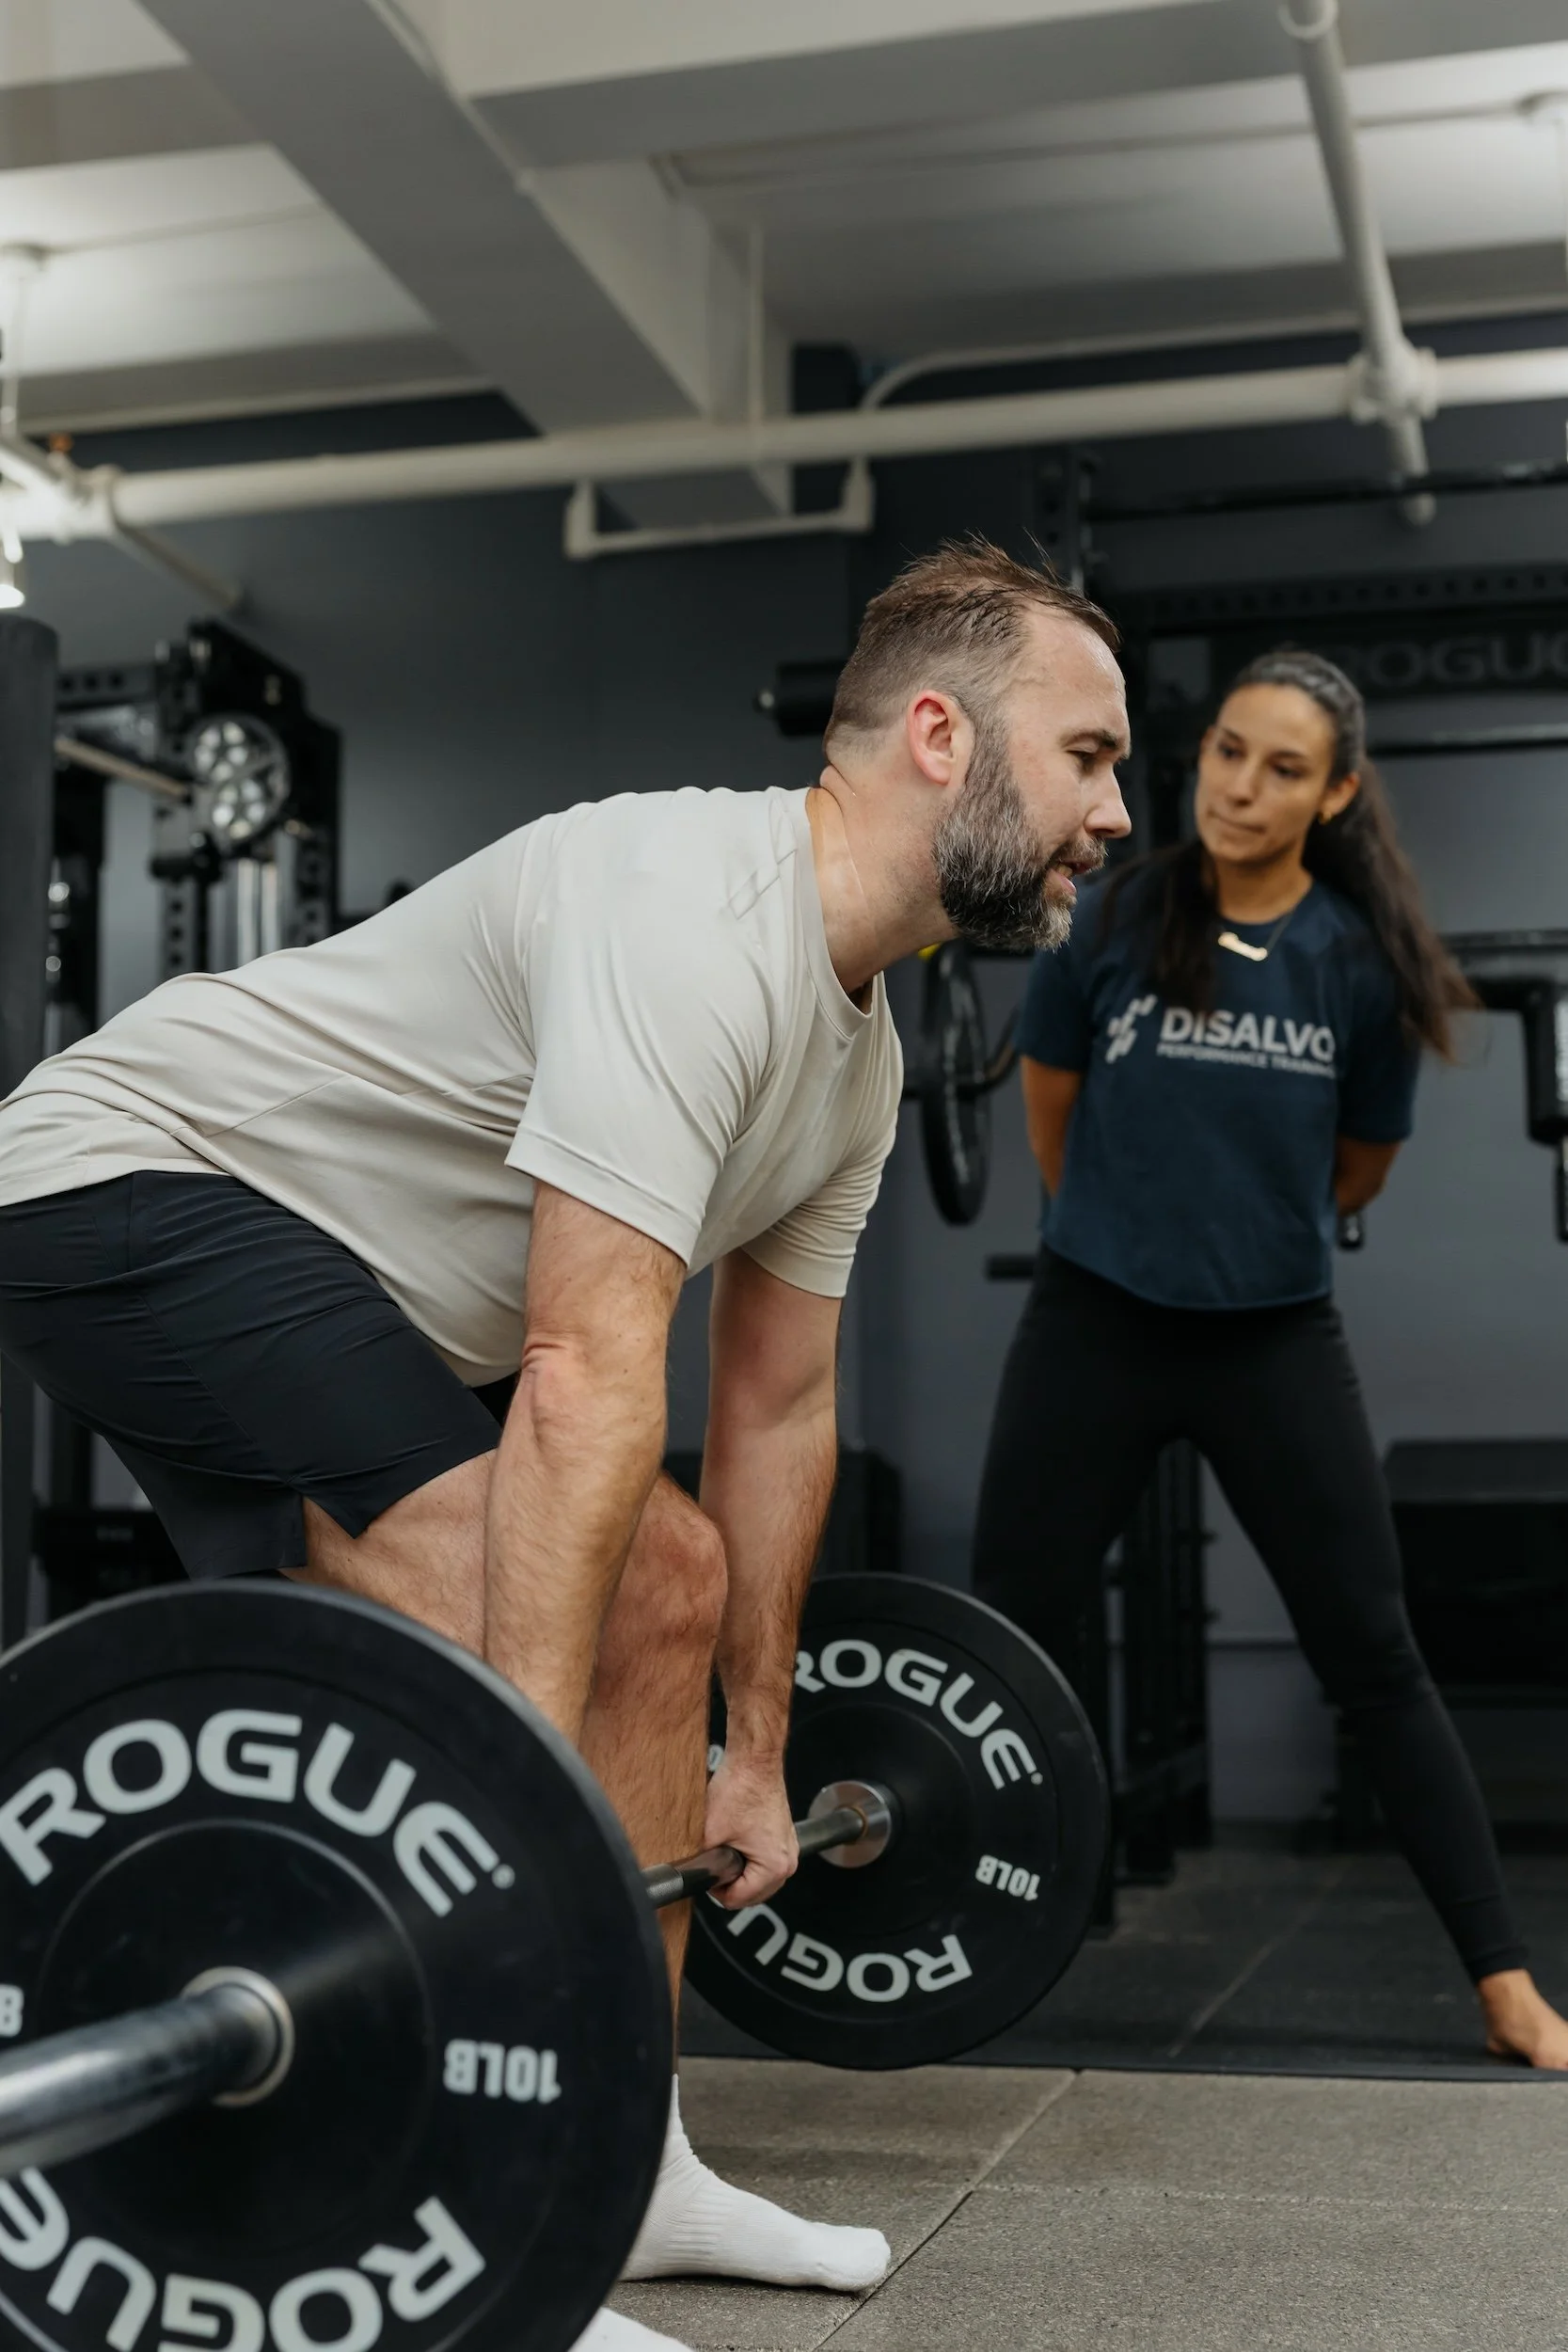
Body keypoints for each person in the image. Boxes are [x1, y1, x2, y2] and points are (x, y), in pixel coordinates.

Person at [0, 541, 1132, 2349]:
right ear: (941, 735)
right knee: (486, 1600)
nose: (1112, 812)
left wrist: (752, 1754)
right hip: (130, 1176)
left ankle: (628, 2157)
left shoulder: (850, 1053)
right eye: (1089, 756)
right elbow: (585, 1368)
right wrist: (507, 1804)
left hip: (352, 1279)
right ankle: (472, 2171)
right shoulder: (692, 911)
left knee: (665, 1573)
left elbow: (772, 1407)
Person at [971, 644, 1568, 2072]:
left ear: (1336, 793)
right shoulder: (1111, 911)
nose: (1240, 785)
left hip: (1270, 1341)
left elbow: (1353, 1172)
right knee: (1001, 1642)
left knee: (1374, 1657)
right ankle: (947, 1946)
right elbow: (1053, 1126)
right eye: (1228, 750)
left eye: (1282, 767)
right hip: (1095, 1322)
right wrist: (1134, 1234)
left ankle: (1501, 1983)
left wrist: (1236, 1242)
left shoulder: (1358, 966)